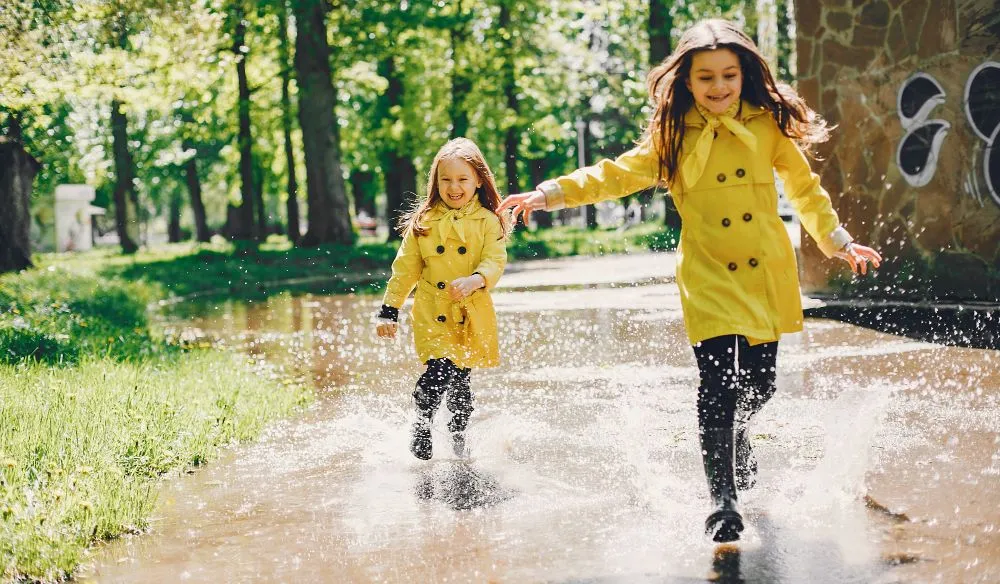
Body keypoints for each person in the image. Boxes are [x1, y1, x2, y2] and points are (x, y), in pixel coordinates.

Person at [498, 19, 882, 542]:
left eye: (729, 75)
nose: (719, 87)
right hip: (707, 275)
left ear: (745, 75)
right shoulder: (673, 135)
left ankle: (739, 434)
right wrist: (547, 194)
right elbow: (613, 174)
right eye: (706, 78)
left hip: (764, 272)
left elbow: (805, 189)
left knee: (760, 386)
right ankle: (722, 501)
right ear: (687, 81)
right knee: (717, 385)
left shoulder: (767, 125)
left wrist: (838, 241)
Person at [376, 138, 510, 461]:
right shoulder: (425, 223)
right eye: (446, 179)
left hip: (470, 313)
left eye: (463, 179)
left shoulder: (488, 222)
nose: (454, 187)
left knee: (461, 383)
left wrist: (477, 279)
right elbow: (405, 269)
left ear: (479, 180)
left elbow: (496, 259)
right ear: (436, 181)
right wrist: (388, 309)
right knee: (440, 369)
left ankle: (459, 439)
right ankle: (421, 422)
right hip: (432, 311)